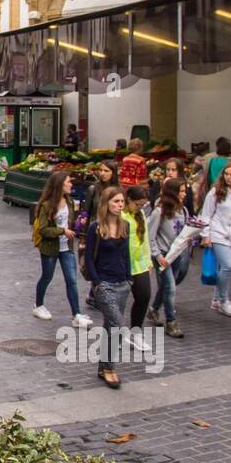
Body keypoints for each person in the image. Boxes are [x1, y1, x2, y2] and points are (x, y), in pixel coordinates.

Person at [84, 187, 132, 390]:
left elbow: (126, 254)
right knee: (119, 326)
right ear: (106, 203)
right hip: (104, 284)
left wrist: (129, 278)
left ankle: (105, 367)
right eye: (115, 202)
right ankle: (109, 367)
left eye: (121, 202)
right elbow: (88, 257)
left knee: (111, 328)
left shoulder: (125, 225)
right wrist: (96, 282)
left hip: (122, 283)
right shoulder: (96, 228)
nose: (119, 205)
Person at [30, 171, 92, 328]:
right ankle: (38, 305)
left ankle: (76, 314)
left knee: (71, 280)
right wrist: (62, 231)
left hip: (67, 247)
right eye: (68, 182)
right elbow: (43, 230)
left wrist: (78, 223)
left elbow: (69, 223)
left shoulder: (69, 201)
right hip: (50, 247)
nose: (71, 184)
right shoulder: (46, 206)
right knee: (47, 276)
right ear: (59, 185)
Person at [199, 161, 231, 316]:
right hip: (218, 233)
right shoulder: (215, 192)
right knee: (228, 266)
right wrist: (206, 235)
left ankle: (216, 299)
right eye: (226, 174)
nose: (228, 177)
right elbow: (206, 214)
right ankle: (223, 300)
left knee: (223, 268)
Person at [147, 178, 189, 338]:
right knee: (170, 287)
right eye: (182, 191)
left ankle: (153, 310)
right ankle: (171, 321)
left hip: (176, 253)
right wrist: (157, 256)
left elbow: (183, 231)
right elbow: (150, 235)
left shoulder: (183, 211)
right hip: (163, 255)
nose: (184, 194)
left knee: (166, 285)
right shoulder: (159, 212)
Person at [78, 160, 120, 308]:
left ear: (113, 173)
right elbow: (85, 213)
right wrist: (83, 235)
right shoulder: (93, 189)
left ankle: (94, 294)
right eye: (101, 170)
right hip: (95, 231)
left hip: (113, 231)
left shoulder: (118, 190)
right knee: (97, 262)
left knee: (106, 263)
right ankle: (96, 293)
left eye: (106, 171)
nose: (102, 173)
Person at [121, 186, 154, 351]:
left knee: (144, 296)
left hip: (139, 264)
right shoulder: (120, 215)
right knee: (119, 301)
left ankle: (136, 333)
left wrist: (148, 261)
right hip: (122, 265)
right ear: (129, 200)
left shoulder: (140, 215)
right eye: (138, 204)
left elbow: (145, 238)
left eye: (143, 205)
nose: (140, 207)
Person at [197, 137, 231, 206]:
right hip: (226, 192)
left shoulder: (212, 160)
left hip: (213, 190)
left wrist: (199, 192)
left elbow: (205, 177)